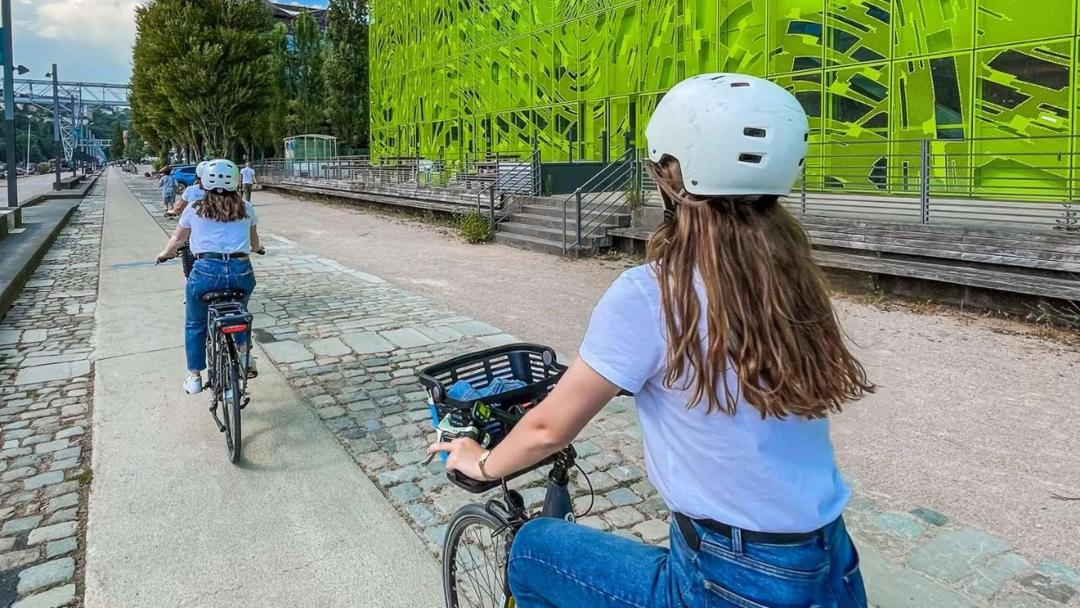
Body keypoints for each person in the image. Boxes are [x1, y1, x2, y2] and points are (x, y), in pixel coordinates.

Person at [429, 74, 874, 608]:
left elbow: (548, 429)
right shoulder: (793, 281)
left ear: (670, 179)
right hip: (831, 565)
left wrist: (479, 462)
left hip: (727, 578)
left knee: (532, 550)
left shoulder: (654, 292)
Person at [156, 159, 264, 394]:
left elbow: (178, 239)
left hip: (206, 272)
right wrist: (257, 249)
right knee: (239, 313)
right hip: (241, 271)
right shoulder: (246, 208)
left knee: (195, 323)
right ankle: (245, 355)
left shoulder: (194, 208)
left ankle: (195, 376)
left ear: (204, 181)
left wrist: (165, 254)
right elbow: (254, 242)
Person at [168, 161, 209, 279]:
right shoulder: (231, 197)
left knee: (184, 242)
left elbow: (179, 208)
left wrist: (172, 211)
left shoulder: (191, 192)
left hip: (194, 230)